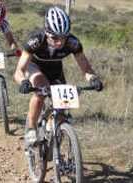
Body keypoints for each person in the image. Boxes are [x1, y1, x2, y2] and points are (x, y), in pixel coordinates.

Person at [14, 6, 103, 144]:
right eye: (55, 37)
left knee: (61, 109)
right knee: (41, 91)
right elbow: (19, 69)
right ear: (45, 31)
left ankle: (54, 142)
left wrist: (93, 79)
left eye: (64, 37)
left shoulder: (73, 43)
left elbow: (86, 69)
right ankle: (31, 127)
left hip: (55, 70)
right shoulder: (36, 41)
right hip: (35, 67)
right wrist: (23, 81)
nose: (60, 42)